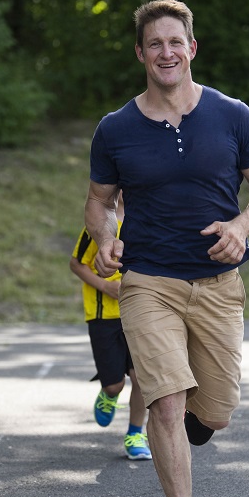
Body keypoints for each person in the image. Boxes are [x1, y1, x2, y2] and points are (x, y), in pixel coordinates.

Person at [84, 0, 249, 497]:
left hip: (219, 283)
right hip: (149, 281)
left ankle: (200, 420)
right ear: (141, 54)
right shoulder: (115, 129)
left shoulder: (232, 115)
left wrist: (241, 226)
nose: (165, 53)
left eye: (176, 42)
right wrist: (104, 238)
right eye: (154, 44)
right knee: (166, 403)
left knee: (214, 412)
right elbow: (98, 203)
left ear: (191, 48)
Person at [70, 192, 151, 460]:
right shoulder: (98, 227)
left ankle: (135, 434)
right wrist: (105, 286)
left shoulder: (148, 222)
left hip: (140, 314)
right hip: (103, 316)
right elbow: (76, 264)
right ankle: (108, 393)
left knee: (142, 378)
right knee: (115, 384)